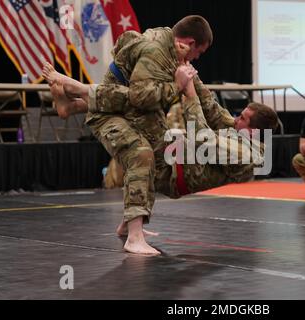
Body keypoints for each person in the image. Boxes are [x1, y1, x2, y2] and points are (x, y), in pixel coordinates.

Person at [44, 63, 279, 256]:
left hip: (173, 173)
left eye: (244, 119)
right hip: (174, 160)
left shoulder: (249, 154)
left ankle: (79, 91)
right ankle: (73, 106)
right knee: (143, 107)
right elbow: (213, 109)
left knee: (146, 105)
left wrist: (188, 92)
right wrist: (189, 72)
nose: (237, 119)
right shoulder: (241, 133)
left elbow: (202, 136)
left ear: (254, 132)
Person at [43, 15, 212, 255]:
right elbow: (138, 97)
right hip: (107, 114)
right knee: (140, 154)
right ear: (189, 41)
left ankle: (130, 225)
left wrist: (232, 123)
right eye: (199, 52)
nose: (197, 58)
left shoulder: (171, 49)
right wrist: (176, 85)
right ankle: (134, 238)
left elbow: (201, 96)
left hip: (123, 109)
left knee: (159, 151)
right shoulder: (156, 50)